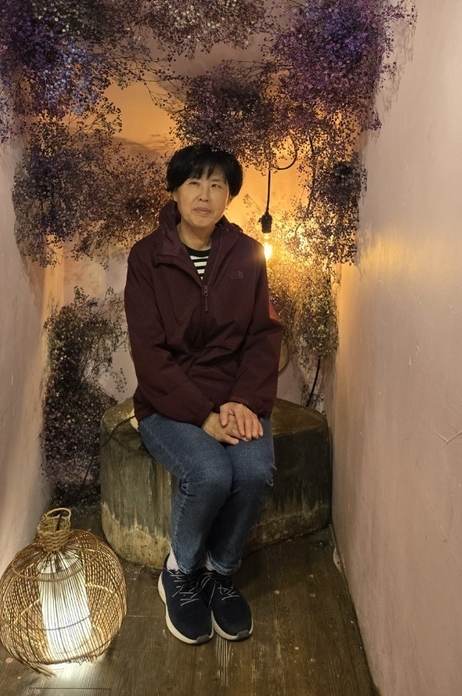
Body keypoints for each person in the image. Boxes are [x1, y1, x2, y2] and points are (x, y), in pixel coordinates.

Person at [124, 143, 283, 646]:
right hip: (169, 404)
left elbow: (262, 336)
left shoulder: (247, 254)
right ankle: (182, 571)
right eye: (194, 182)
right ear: (174, 191)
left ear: (228, 197)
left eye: (217, 185)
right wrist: (202, 415)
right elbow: (149, 354)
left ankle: (218, 571)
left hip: (235, 398)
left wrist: (243, 400)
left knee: (254, 471)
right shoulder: (147, 257)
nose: (205, 194)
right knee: (210, 473)